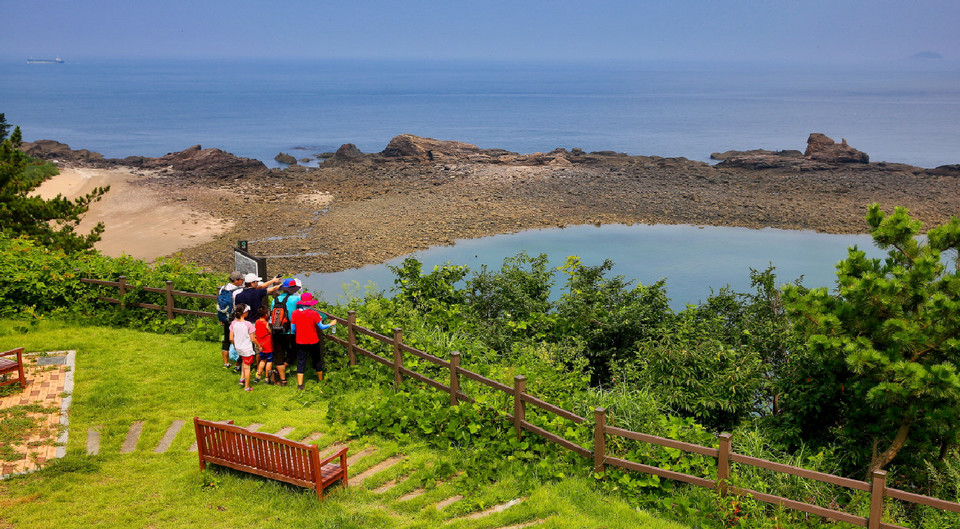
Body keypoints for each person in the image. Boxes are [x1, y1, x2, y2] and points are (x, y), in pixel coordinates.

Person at [290, 292, 337, 390]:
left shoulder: (294, 313)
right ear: (310, 303)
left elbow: (293, 329)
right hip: (313, 340)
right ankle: (320, 380)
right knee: (317, 360)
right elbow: (321, 327)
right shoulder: (314, 313)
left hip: (300, 341)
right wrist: (331, 324)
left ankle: (300, 385)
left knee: (301, 362)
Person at [270, 278, 302, 386]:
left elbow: (272, 315)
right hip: (290, 331)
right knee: (293, 354)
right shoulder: (296, 299)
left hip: (276, 330)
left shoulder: (276, 299)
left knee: (278, 355)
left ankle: (282, 380)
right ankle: (278, 371)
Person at [216, 271, 245, 368]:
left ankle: (226, 362)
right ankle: (238, 363)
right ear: (236, 280)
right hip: (234, 318)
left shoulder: (223, 289)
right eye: (241, 280)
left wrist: (222, 316)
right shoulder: (237, 291)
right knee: (238, 339)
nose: (243, 281)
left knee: (226, 340)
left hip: (226, 317)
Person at [229, 303, 258, 392]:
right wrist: (259, 345)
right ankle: (247, 387)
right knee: (247, 367)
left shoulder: (233, 323)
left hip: (239, 348)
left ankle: (242, 379)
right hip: (247, 349)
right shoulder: (248, 324)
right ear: (244, 313)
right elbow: (253, 339)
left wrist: (235, 345)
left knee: (243, 362)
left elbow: (231, 338)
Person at [253, 306, 274, 384]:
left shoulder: (257, 322)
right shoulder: (266, 323)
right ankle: (267, 378)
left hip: (260, 345)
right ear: (266, 314)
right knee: (269, 361)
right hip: (268, 345)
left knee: (262, 360)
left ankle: (258, 376)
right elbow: (270, 331)